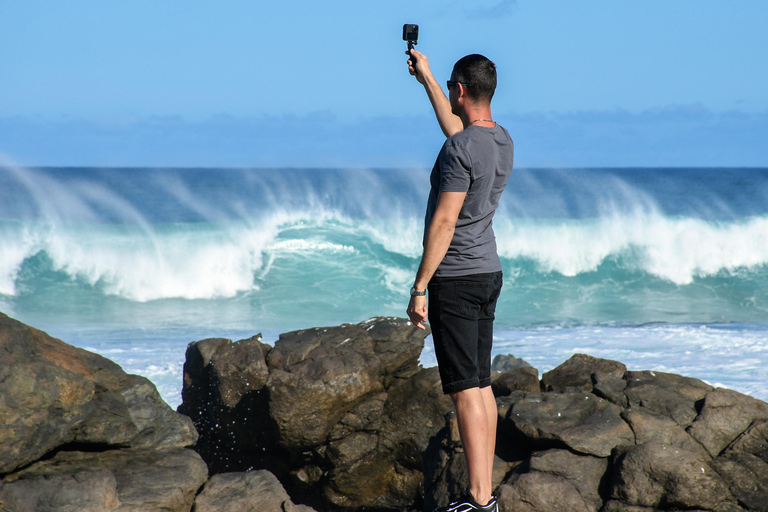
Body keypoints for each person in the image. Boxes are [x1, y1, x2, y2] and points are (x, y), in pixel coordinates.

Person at [405, 48, 513, 512]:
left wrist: (420, 286)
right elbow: (459, 133)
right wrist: (429, 80)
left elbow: (445, 221)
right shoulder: (500, 140)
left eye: (451, 86)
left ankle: (479, 498)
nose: (449, 92)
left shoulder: (459, 149)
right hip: (487, 272)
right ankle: (485, 497)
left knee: (465, 389)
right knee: (481, 384)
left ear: (462, 90)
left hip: (456, 277)